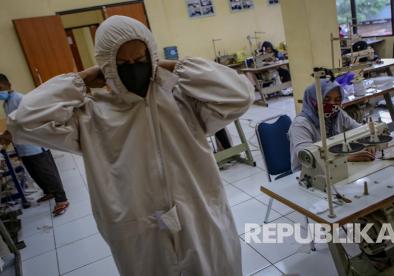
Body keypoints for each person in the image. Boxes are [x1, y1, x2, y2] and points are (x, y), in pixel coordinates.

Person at [7, 16, 254, 276]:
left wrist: (176, 67)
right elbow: (22, 123)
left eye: (141, 60)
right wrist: (79, 80)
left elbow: (241, 94)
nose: (134, 69)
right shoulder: (91, 117)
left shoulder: (180, 101)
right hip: (140, 231)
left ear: (152, 56)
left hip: (200, 216)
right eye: (122, 63)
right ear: (107, 65)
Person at [0, 74, 69, 216]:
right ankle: (48, 191)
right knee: (34, 172)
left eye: (0, 88)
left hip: (34, 144)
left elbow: (30, 119)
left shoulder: (20, 99)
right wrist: (7, 134)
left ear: (9, 85)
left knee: (46, 171)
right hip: (22, 145)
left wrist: (9, 133)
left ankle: (61, 199)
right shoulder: (6, 103)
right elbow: (13, 122)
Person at [289, 79, 375, 172]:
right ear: (312, 99)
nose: (332, 104)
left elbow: (359, 129)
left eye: (337, 100)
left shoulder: (338, 114)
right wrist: (345, 158)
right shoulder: (300, 125)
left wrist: (369, 142)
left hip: (335, 167)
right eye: (326, 99)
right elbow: (309, 158)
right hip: (307, 173)